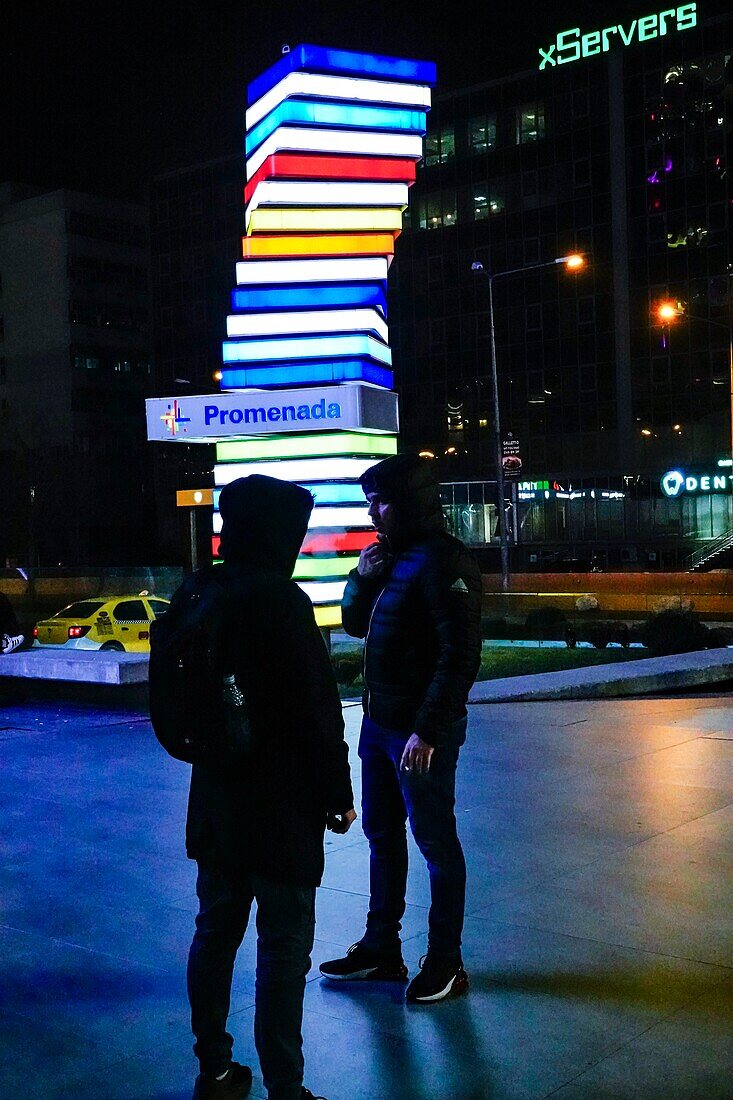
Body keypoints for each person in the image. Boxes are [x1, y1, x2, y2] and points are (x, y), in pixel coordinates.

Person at [185, 475, 356, 1100]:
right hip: (281, 812)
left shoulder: (199, 591)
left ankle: (216, 1070)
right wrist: (337, 793)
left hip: (216, 806)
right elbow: (318, 712)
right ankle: (286, 1086)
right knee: (282, 953)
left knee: (214, 936)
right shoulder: (282, 603)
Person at [319, 453, 482, 1004]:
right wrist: (360, 578)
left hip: (419, 737)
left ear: (410, 502)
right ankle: (381, 949)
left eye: (382, 500)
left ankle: (446, 962)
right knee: (382, 839)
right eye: (369, 501)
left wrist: (429, 730)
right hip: (380, 726)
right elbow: (352, 623)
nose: (374, 512)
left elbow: (459, 655)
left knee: (436, 843)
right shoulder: (391, 558)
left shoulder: (444, 561)